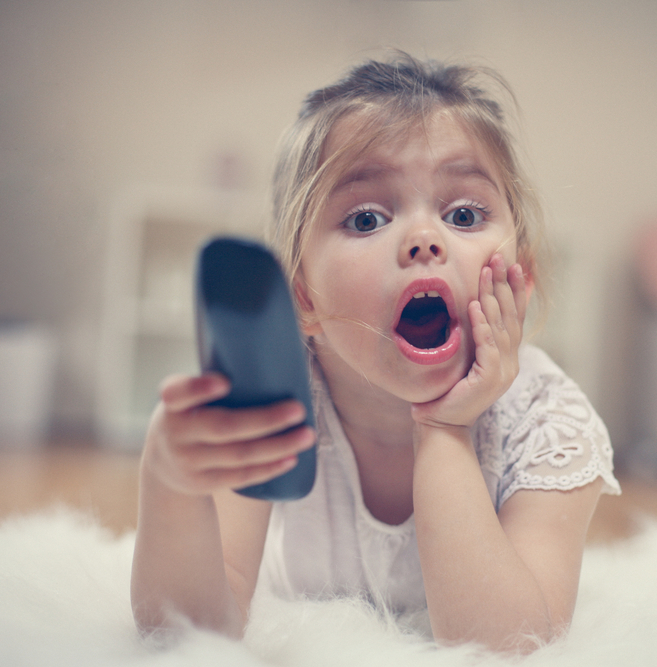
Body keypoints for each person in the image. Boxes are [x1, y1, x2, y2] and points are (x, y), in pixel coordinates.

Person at [131, 52, 620, 654]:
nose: (424, 239)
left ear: (521, 273)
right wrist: (170, 486)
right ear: (302, 297)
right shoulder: (274, 404)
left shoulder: (548, 425)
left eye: (463, 214)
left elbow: (509, 647)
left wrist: (444, 430)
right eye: (366, 219)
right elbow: (188, 633)